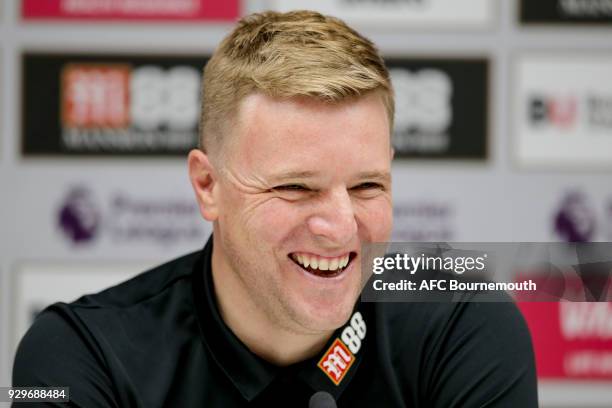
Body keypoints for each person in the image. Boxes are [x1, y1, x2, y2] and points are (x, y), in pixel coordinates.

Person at [13, 10, 538, 407]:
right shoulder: (80, 354)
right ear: (206, 184)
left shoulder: (463, 322)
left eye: (366, 186)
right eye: (294, 188)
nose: (338, 228)